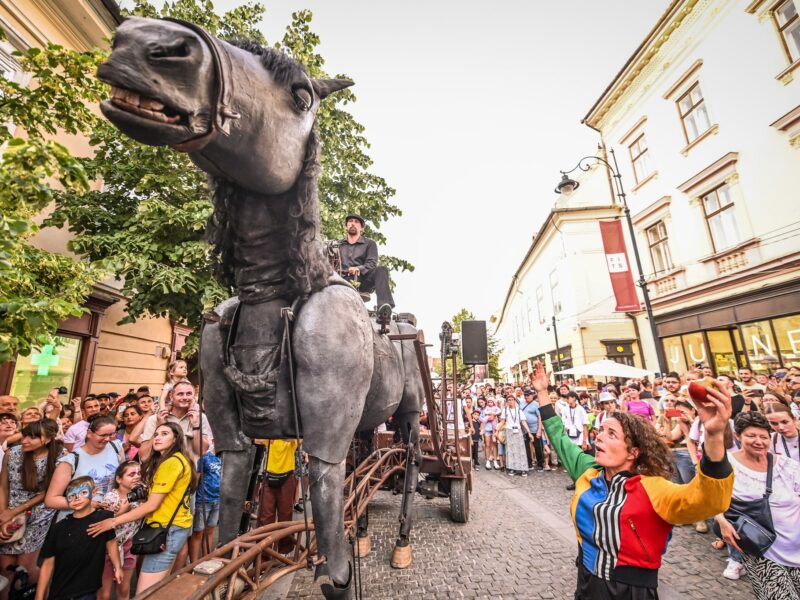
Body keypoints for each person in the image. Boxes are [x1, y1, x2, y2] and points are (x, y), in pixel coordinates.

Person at [529, 360, 733, 599]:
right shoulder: (588, 471)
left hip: (632, 591)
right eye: (601, 431)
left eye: (611, 434)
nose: (600, 438)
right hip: (586, 582)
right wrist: (543, 393)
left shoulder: (654, 488)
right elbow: (559, 437)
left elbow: (709, 500)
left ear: (633, 452)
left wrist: (713, 434)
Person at [88, 423, 195, 593]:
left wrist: (113, 521)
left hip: (167, 528)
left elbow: (152, 505)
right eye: (156, 434)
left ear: (176, 439)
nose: (157, 437)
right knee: (157, 589)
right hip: (175, 526)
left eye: (164, 433)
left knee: (144, 593)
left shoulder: (170, 463)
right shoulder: (180, 460)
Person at [715, 411, 800, 597]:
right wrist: (722, 522)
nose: (759, 442)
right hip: (762, 550)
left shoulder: (788, 466)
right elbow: (708, 500)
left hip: (796, 545)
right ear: (738, 436)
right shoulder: (727, 466)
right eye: (751, 436)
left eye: (764, 437)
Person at [0, 419, 62, 597]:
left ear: (48, 439)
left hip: (38, 514)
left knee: (25, 569)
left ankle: (40, 593)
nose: (25, 440)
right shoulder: (12, 453)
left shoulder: (59, 455)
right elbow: (3, 486)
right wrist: (4, 513)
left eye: (33, 437)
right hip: (8, 511)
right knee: (6, 568)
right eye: (25, 435)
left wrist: (14, 511)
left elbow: (50, 490)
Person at [36, 476, 121, 600]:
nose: (77, 498)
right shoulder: (59, 528)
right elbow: (48, 563)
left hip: (87, 591)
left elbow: (111, 543)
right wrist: (39, 596)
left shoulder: (103, 518)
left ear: (94, 492)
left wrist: (117, 567)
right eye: (72, 495)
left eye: (83, 492)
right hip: (60, 591)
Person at [46, 415, 126, 516]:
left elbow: (123, 477)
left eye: (111, 434)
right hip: (79, 517)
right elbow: (51, 500)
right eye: (103, 435)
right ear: (89, 433)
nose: (107, 439)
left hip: (109, 514)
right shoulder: (71, 460)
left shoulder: (116, 447)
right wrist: (87, 503)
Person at [338, 214, 394, 327]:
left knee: (381, 270)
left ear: (361, 228)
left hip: (363, 280)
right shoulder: (338, 245)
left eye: (356, 222)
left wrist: (358, 268)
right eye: (350, 221)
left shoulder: (370, 244)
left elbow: (371, 263)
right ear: (346, 226)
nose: (353, 223)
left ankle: (383, 309)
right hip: (342, 280)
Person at [97, 461, 143, 600]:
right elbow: (105, 525)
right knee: (104, 593)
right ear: (118, 479)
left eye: (139, 473)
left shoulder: (139, 496)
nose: (136, 476)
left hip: (129, 546)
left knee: (123, 588)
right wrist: (122, 511)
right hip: (108, 548)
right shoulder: (111, 498)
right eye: (131, 474)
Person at [138, 380, 210, 463]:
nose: (185, 397)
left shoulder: (200, 417)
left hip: (191, 473)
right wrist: (159, 426)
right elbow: (143, 456)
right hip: (162, 471)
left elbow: (202, 451)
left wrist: (196, 426)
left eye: (189, 394)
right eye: (180, 394)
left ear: (194, 396)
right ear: (171, 397)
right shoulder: (155, 419)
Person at [256, 439, 298, 555]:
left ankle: (284, 550)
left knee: (285, 514)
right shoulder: (269, 436)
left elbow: (298, 438)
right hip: (269, 477)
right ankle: (264, 552)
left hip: (287, 477)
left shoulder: (291, 437)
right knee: (265, 517)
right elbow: (256, 438)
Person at [189, 449, 221, 563]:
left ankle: (207, 560)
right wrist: (194, 502)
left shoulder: (225, 458)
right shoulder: (205, 458)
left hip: (218, 500)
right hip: (203, 500)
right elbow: (196, 480)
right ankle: (193, 564)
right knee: (198, 532)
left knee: (210, 531)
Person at [499, 395, 531, 476]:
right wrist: (497, 431)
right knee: (510, 450)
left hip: (518, 430)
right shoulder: (505, 410)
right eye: (508, 400)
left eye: (512, 400)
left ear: (515, 401)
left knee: (521, 450)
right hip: (509, 430)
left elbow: (523, 422)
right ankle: (512, 468)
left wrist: (529, 432)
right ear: (507, 401)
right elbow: (502, 421)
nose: (510, 401)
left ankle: (523, 469)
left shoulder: (519, 410)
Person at [520, 390, 543, 471]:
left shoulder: (536, 404)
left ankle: (540, 464)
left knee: (537, 447)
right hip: (524, 429)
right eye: (525, 395)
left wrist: (539, 430)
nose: (527, 397)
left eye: (529, 395)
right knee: (526, 447)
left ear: (532, 395)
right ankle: (529, 464)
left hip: (534, 429)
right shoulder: (522, 403)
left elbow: (540, 417)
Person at [479, 398, 500, 470]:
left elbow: (498, 412)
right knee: (487, 445)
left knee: (494, 444)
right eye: (489, 402)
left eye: (491, 402)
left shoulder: (495, 408)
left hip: (494, 428)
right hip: (487, 428)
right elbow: (481, 418)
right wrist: (489, 417)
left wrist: (493, 415)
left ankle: (495, 461)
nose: (490, 403)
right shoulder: (485, 409)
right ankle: (487, 461)